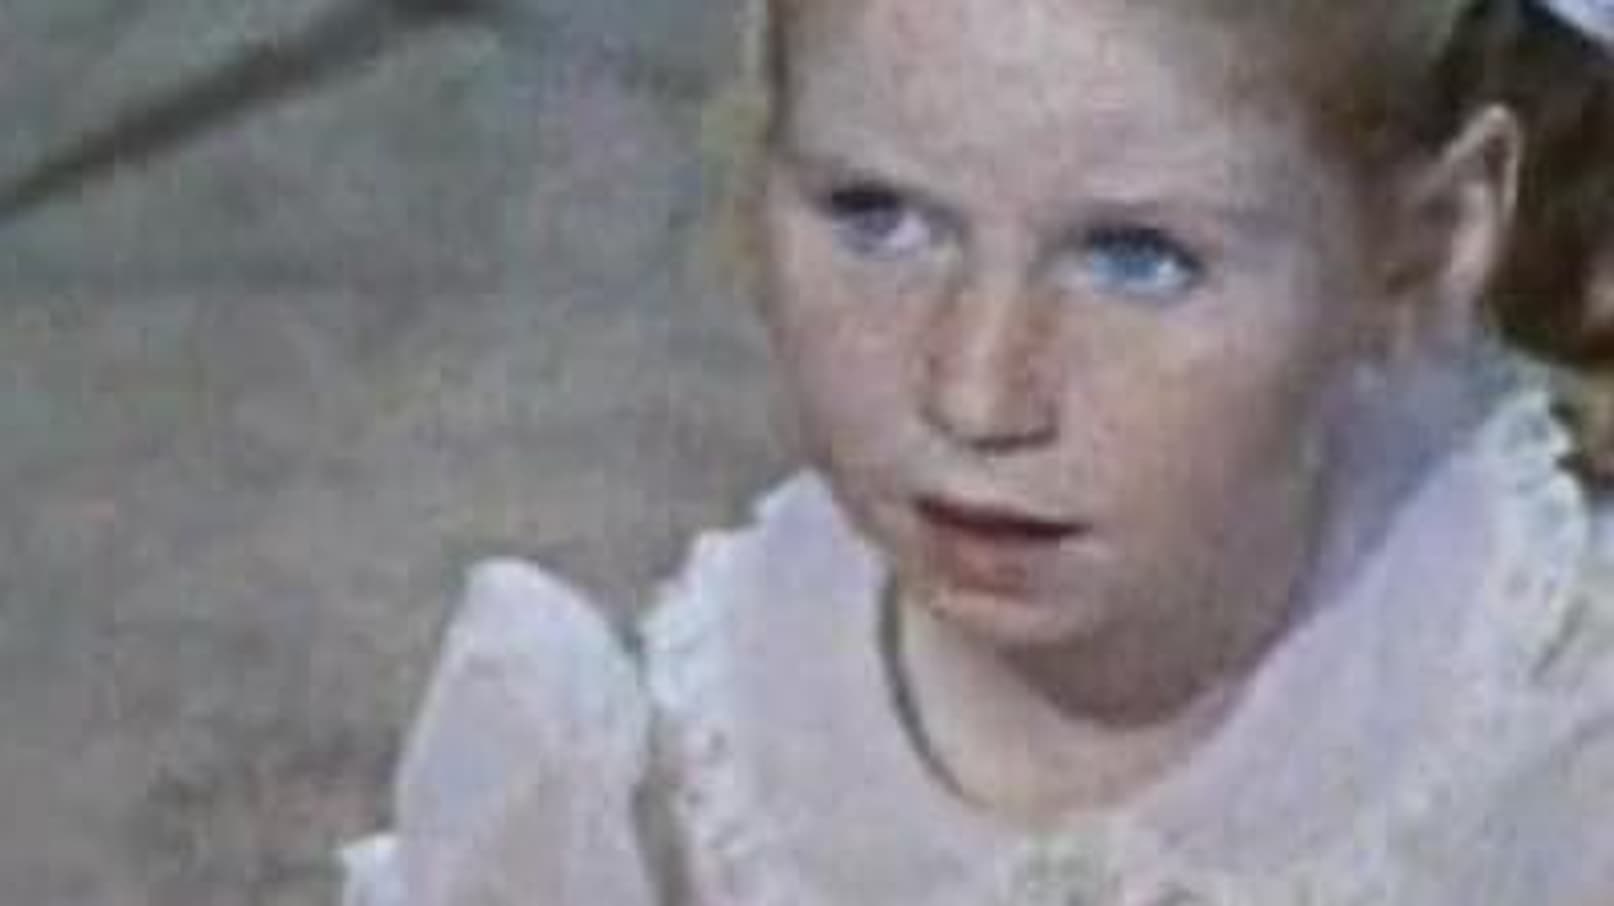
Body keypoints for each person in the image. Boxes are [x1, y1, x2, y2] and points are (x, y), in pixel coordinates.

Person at [342, 0, 1614, 902]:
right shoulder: (685, 767)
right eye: (878, 217)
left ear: (1425, 249)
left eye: (1137, 258)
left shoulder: (1545, 734)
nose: (976, 394)